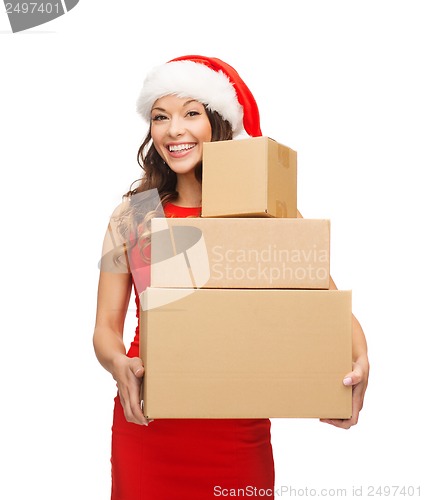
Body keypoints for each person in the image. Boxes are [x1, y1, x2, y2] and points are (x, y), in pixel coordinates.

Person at [93, 55, 369, 499]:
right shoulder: (133, 215)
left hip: (236, 426)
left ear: (217, 123)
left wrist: (360, 362)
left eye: (190, 113)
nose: (173, 129)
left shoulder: (261, 209)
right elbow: (106, 326)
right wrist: (117, 364)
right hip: (148, 423)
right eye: (160, 117)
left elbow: (327, 302)